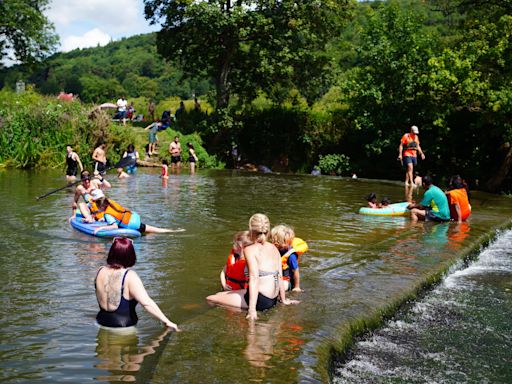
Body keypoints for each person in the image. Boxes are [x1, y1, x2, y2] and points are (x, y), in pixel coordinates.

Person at [206, 213, 299, 321]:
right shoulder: (274, 248)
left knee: (211, 299)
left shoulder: (249, 250)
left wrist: (252, 310)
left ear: (251, 231)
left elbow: (254, 279)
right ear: (268, 231)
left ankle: (238, 316)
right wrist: (283, 300)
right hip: (273, 298)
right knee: (220, 294)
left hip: (261, 300)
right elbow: (279, 275)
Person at [95, 237, 179, 330]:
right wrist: (167, 322)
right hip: (123, 328)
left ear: (111, 253)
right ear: (130, 255)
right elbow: (146, 303)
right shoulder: (130, 276)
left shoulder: (100, 270)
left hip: (100, 322)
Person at [90, 189, 184, 234]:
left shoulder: (107, 214)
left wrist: (100, 229)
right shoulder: (110, 203)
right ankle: (174, 230)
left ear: (101, 206)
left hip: (132, 224)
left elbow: (114, 226)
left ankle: (172, 231)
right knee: (154, 229)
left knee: (154, 231)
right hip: (133, 217)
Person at [271, 225, 306, 292]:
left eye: (276, 240)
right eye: (273, 239)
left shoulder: (291, 256)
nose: (273, 242)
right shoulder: (272, 249)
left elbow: (296, 271)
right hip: (275, 276)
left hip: (286, 280)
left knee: (282, 286)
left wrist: (297, 287)